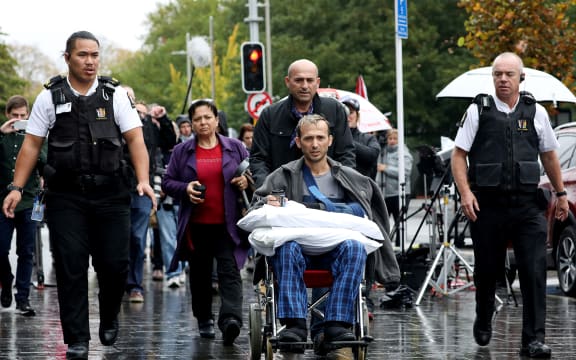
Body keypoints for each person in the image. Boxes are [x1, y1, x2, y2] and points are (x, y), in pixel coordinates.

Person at [2, 31, 155, 359]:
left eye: (95, 55)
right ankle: (77, 340)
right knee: (71, 266)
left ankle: (110, 314)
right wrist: (16, 187)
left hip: (112, 194)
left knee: (114, 265)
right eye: (83, 55)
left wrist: (143, 180)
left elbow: (135, 140)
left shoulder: (113, 95)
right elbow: (31, 144)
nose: (90, 61)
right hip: (66, 196)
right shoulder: (49, 96)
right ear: (68, 57)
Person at [249, 114, 398, 357]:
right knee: (286, 247)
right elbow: (259, 206)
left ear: (330, 140)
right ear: (298, 142)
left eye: (320, 138)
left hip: (335, 252)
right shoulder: (283, 176)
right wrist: (281, 203)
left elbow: (368, 211)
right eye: (309, 138)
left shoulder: (351, 177)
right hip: (297, 253)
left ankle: (337, 325)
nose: (315, 144)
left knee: (354, 247)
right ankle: (295, 325)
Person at [451, 52, 567, 359]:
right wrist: (465, 193)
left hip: (528, 206)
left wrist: (561, 194)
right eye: (498, 74)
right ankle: (484, 314)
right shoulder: (479, 110)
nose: (503, 79)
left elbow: (550, 156)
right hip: (487, 206)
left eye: (509, 74)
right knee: (488, 271)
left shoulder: (536, 112)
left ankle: (534, 339)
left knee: (534, 270)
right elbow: (458, 155)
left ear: (521, 77)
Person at [161, 99, 250, 346]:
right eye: (197, 119)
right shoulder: (182, 152)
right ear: (191, 123)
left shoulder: (235, 147)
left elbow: (250, 176)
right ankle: (204, 318)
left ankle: (231, 320)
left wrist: (245, 182)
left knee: (229, 272)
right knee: (199, 275)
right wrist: (185, 188)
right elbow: (167, 182)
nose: (203, 123)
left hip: (228, 223)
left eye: (207, 117)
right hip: (196, 225)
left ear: (216, 120)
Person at [250, 59, 356, 188]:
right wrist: (268, 190)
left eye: (310, 80)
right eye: (299, 80)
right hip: (283, 194)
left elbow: (346, 154)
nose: (305, 86)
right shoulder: (270, 115)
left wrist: (343, 186)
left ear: (317, 82)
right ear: (287, 82)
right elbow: (258, 159)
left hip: (329, 193)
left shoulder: (334, 110)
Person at [0, 95, 46, 316]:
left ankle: (23, 298)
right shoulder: (2, 137)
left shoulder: (35, 136)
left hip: (30, 200)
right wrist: (2, 133)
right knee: (1, 250)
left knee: (27, 252)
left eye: (22, 116)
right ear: (8, 115)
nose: (19, 119)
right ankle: (6, 280)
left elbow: (45, 161)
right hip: (2, 202)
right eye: (15, 116)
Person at [124, 99, 159, 303]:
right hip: (117, 189)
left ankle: (135, 285)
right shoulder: (111, 123)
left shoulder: (147, 127)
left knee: (138, 238)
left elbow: (167, 140)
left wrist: (160, 120)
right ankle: (118, 281)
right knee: (119, 240)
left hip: (141, 190)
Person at [376, 128, 413, 245]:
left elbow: (405, 172)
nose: (392, 141)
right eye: (390, 138)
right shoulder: (382, 152)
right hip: (384, 193)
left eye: (395, 139)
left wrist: (385, 168)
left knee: (399, 224)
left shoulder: (404, 153)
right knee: (383, 223)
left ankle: (399, 245)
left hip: (399, 194)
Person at [340, 96, 380, 179]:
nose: (347, 116)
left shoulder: (368, 138)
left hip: (362, 188)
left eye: (350, 112)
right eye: (344, 112)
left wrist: (347, 141)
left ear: (357, 116)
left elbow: (372, 156)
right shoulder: (333, 138)